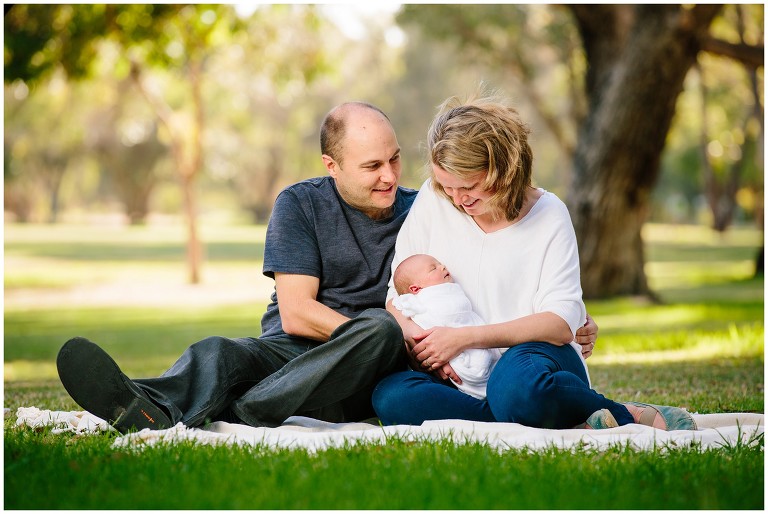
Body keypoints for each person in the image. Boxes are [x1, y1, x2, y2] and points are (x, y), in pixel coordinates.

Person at [56, 101, 417, 433]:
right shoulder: (301, 204)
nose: (390, 176)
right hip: (287, 357)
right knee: (218, 352)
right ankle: (145, 405)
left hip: (364, 372)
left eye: (394, 159)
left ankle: (240, 410)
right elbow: (296, 314)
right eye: (372, 166)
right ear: (331, 166)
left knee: (381, 331)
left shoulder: (422, 212)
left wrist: (371, 340)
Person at [372, 93, 697, 431]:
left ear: (504, 169)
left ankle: (620, 411)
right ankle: (530, 417)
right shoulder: (433, 199)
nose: (457, 198)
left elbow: (561, 322)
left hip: (532, 360)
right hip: (459, 373)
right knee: (390, 396)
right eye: (447, 186)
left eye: (468, 186)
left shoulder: (549, 214)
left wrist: (464, 338)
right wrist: (426, 344)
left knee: (517, 389)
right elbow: (396, 297)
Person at [392, 253, 503, 400]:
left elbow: (463, 314)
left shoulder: (448, 292)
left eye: (440, 264)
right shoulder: (424, 300)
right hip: (439, 355)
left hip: (474, 341)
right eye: (433, 268)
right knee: (392, 393)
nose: (442, 266)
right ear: (415, 289)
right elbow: (449, 312)